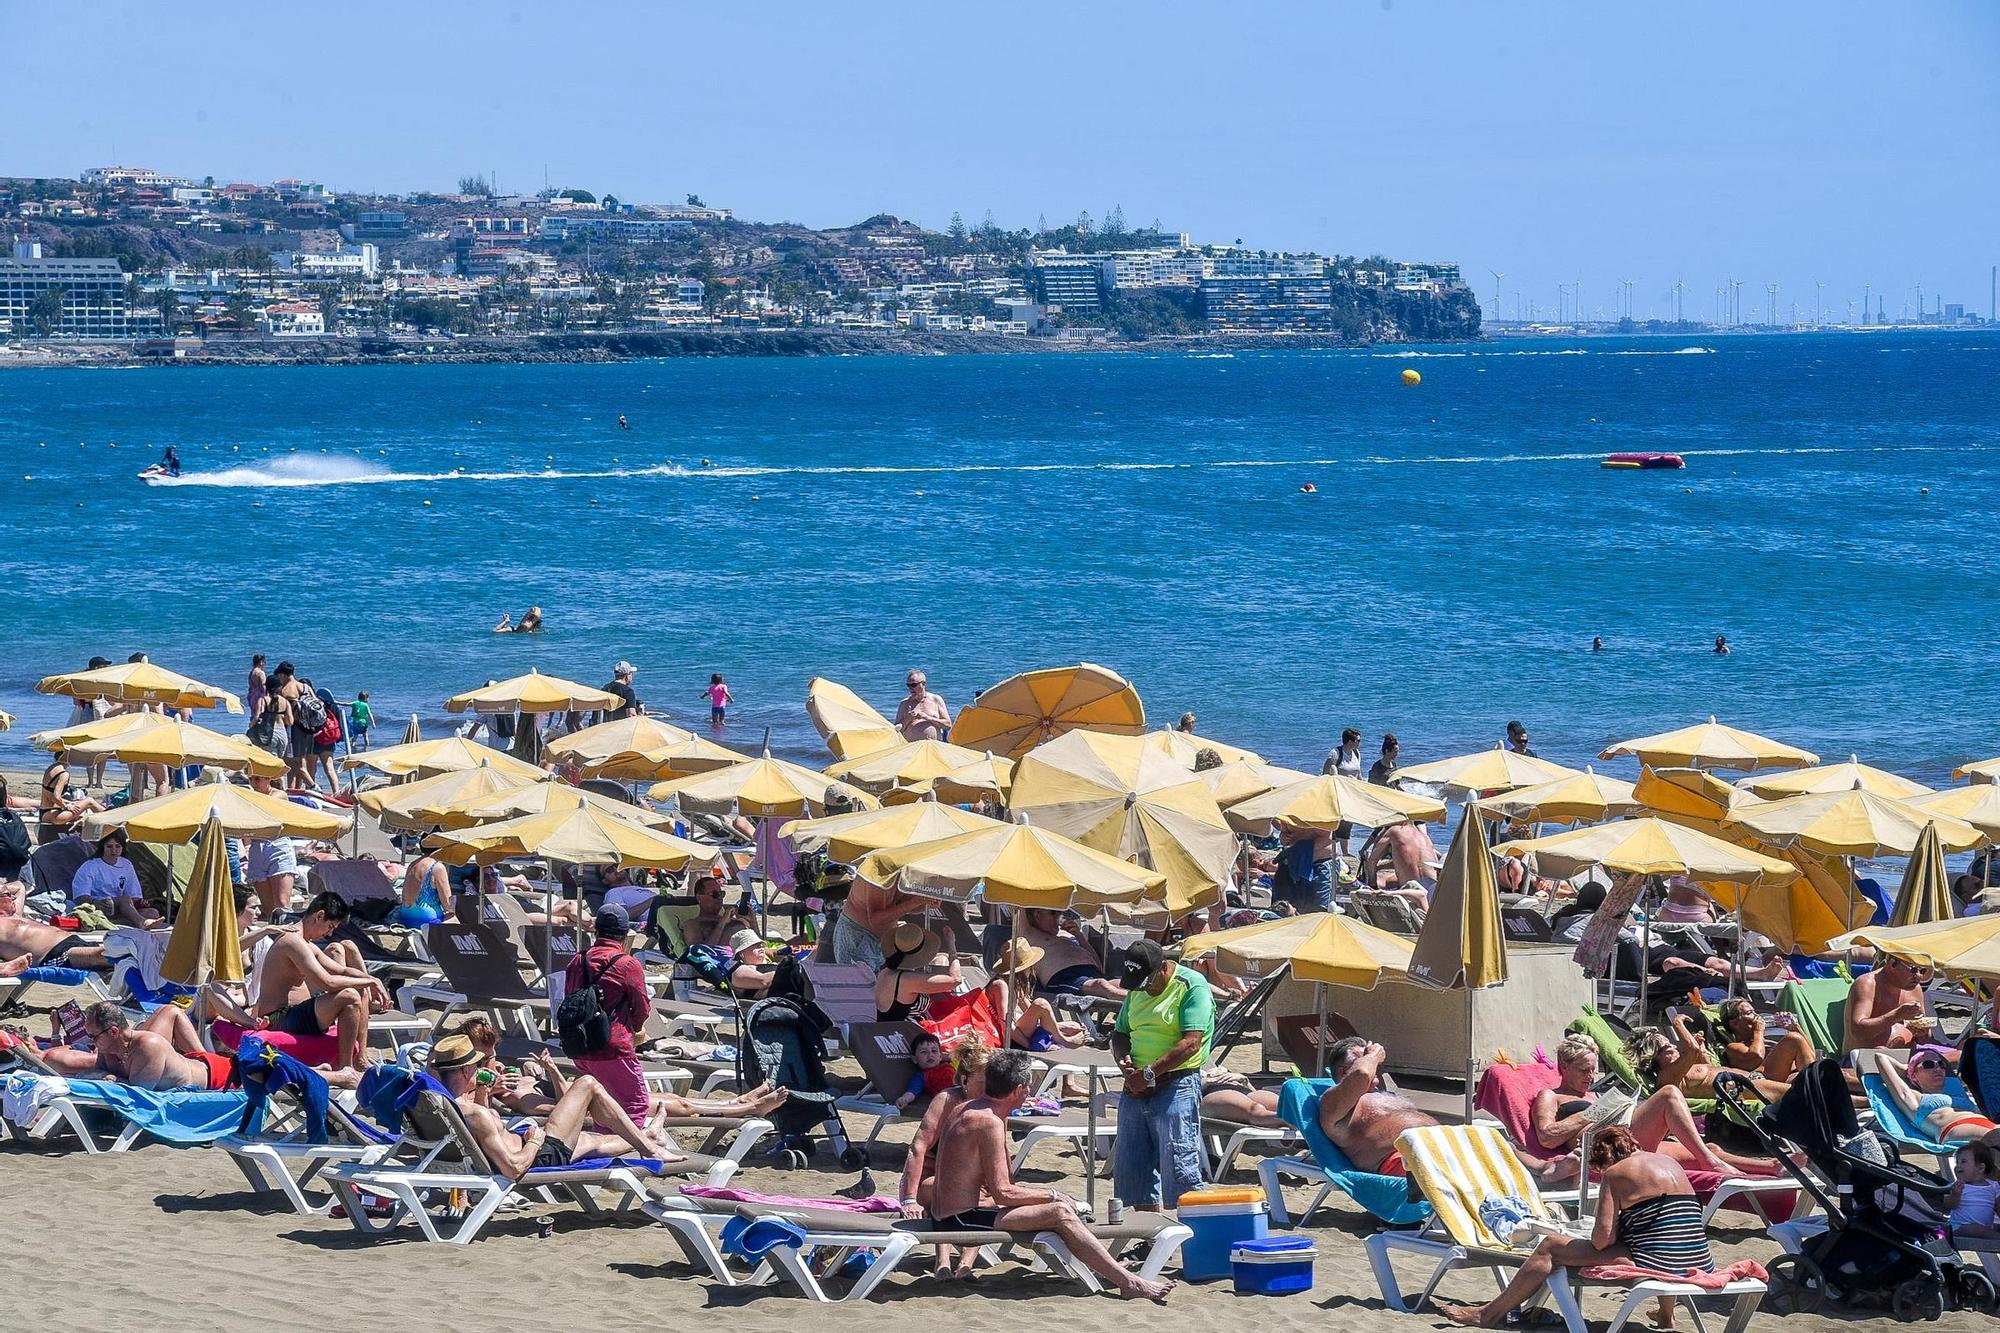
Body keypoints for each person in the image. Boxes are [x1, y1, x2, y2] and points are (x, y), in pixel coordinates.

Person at [929, 1050, 1175, 1302]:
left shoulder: (969, 1108)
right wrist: (1054, 1194)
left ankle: (1103, 1267)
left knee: (1058, 1207)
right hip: (959, 1219)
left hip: (950, 1212)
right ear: (1019, 1090)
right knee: (1061, 1212)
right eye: (1028, 1087)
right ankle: (1128, 1282)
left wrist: (1045, 1198)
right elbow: (1003, 1192)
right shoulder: (988, 1121)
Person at [1439, 1126, 1713, 1330]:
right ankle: (1667, 1316)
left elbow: (1602, 1240)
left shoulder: (1616, 1173)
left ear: (1605, 1158)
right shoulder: (1669, 1163)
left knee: (1549, 1248)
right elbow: (1672, 1229)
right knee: (1667, 1240)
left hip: (1656, 1261)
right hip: (1698, 1259)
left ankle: (1488, 1314)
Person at [1316, 1036, 1573, 1181]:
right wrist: (1372, 1055)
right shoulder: (1333, 1101)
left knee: (1488, 1136)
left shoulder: (1379, 1094)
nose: (1372, 1064)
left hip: (1436, 1147)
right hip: (1403, 1162)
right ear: (1342, 1071)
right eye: (1361, 1057)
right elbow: (1361, 1073)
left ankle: (1543, 1168)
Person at [426, 1033, 680, 1175]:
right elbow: (513, 1169)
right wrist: (535, 1141)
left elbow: (482, 1133)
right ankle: (650, 1148)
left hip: (532, 1145)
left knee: (591, 1141)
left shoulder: (442, 1101)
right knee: (588, 1084)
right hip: (539, 1155)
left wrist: (483, 1091)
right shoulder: (473, 1115)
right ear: (466, 1071)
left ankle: (648, 1136)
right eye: (477, 1065)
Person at [1532, 1033, 1758, 1178]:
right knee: (1668, 1094)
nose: (1590, 1076)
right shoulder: (1551, 1096)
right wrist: (1597, 1112)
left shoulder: (1592, 1095)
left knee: (1710, 1149)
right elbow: (1546, 1136)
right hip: (1603, 1151)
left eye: (1593, 1070)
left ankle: (1772, 1166)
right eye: (1583, 1070)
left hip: (1626, 1138)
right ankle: (1711, 1164)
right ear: (1563, 1066)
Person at [1110, 939, 1211, 1211]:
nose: (1143, 989)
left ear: (1164, 968)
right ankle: (1148, 1241)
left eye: (1147, 982)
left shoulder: (1192, 986)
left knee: (1181, 1169)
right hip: (1136, 1087)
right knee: (1133, 1171)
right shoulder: (1136, 988)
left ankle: (1192, 1242)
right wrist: (1124, 1063)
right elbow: (1120, 1033)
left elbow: (1191, 1042)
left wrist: (1148, 1074)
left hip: (1176, 1084)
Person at [251, 890, 388, 1070]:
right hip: (276, 1018)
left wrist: (372, 979)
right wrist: (369, 982)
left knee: (356, 989)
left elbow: (341, 969)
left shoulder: (305, 943)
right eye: (330, 927)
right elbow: (327, 982)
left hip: (295, 1014)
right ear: (319, 915)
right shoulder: (292, 942)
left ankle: (355, 1062)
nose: (329, 934)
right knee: (350, 995)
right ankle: (346, 1068)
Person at [52, 1002, 235, 1091]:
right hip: (196, 1064)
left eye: (93, 1036)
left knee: (170, 1011)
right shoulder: (108, 1049)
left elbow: (139, 1092)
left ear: (114, 1032)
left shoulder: (148, 1045)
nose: (91, 1042)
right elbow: (100, 1073)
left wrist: (109, 1077)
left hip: (218, 1075)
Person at [1627, 1017, 1795, 1103]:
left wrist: (1701, 1053)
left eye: (1671, 1043)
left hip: (1754, 1076)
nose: (1673, 1047)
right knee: (1802, 1093)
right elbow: (1690, 1050)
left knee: (1793, 1040)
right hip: (1745, 1088)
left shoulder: (1684, 1067)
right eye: (1666, 1048)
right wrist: (1678, 1023)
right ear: (1652, 1057)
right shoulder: (1666, 1078)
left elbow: (1711, 1071)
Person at [1866, 1049, 1996, 1144]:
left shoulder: (1956, 1093)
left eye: (1941, 1065)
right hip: (1954, 1127)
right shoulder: (1913, 1098)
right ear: (1914, 1075)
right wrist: (1909, 1069)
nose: (1938, 1068)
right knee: (1995, 1138)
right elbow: (1880, 1057)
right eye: (1929, 1065)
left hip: (1986, 1123)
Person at [985, 938, 1087, 1051]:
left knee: (1074, 1026)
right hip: (1009, 1037)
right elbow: (1006, 1025)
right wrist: (1029, 1046)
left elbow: (1036, 1016)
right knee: (1041, 1004)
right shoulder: (1001, 986)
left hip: (1019, 1031)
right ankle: (1065, 1041)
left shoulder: (1016, 984)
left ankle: (1058, 1037)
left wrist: (1060, 1026)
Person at [0, 879, 110, 974]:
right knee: (111, 954)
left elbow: (20, 886)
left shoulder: (15, 915)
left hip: (75, 942)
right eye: (8, 895)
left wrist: (4, 889)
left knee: (118, 948)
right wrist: (6, 967)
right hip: (56, 955)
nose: (13, 897)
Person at [1017, 907, 1125, 1001]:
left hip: (1092, 976)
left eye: (1060, 912)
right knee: (1101, 985)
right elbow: (1019, 905)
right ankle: (1138, 1003)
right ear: (1037, 915)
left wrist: (1079, 936)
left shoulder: (1065, 937)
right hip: (1065, 977)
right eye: (1053, 912)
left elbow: (1099, 967)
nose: (1059, 916)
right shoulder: (1030, 936)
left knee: (1123, 983)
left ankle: (1137, 1001)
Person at [1845, 952, 1937, 1054]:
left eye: (1922, 971)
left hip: (1906, 1059)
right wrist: (1896, 1016)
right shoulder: (1867, 984)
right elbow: (1857, 1031)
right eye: (1913, 970)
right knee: (1881, 1052)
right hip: (1862, 1058)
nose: (1918, 976)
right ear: (1893, 964)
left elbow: (1923, 1039)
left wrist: (1923, 1033)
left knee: (1955, 1056)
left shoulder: (1915, 989)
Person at [827, 873, 922, 970]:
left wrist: (923, 903)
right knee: (861, 984)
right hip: (859, 938)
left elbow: (898, 906)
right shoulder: (879, 875)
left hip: (881, 941)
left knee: (883, 983)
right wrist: (912, 903)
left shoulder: (900, 874)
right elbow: (876, 919)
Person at [1717, 997, 1818, 1085]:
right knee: (1793, 1039)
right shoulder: (1733, 1047)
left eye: (1754, 1011)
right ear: (1735, 1024)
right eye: (1750, 1013)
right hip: (1766, 1081)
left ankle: (1815, 1083)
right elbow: (1756, 1057)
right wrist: (1758, 1030)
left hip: (1794, 1076)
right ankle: (1815, 1083)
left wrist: (1795, 1027)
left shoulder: (1764, 1040)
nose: (1757, 1016)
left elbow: (1810, 1054)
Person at [874, 922, 961, 1021]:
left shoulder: (885, 972)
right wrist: (952, 947)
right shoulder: (907, 980)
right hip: (903, 1031)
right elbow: (956, 980)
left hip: (887, 1027)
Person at [71, 829, 158, 928]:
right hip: (98, 906)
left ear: (122, 848)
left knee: (153, 913)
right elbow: (80, 896)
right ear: (102, 847)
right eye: (109, 846)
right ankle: (142, 922)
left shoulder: (126, 865)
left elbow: (133, 895)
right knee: (123, 900)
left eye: (117, 846)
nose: (114, 850)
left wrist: (140, 902)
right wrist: (97, 902)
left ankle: (114, 923)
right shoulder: (90, 866)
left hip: (120, 909)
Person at [245, 775, 300, 917]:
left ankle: (288, 936)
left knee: (282, 903)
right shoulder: (250, 796)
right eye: (250, 779)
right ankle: (275, 937)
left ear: (268, 779)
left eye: (257, 779)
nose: (253, 783)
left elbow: (266, 805)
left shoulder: (278, 795)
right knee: (269, 908)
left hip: (277, 845)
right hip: (257, 847)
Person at [1946, 1144, 2000, 1240]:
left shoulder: (1994, 1186)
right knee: (1976, 1229)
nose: (1958, 1166)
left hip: (1986, 1227)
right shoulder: (1959, 1186)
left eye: (1963, 1161)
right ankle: (1997, 1237)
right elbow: (1950, 1206)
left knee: (1993, 1227)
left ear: (1980, 1168)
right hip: (1959, 1227)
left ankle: (1993, 1234)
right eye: (1957, 1162)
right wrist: (1955, 1195)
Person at [896, 1032, 955, 1110]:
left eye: (934, 1051)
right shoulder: (922, 1076)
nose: (930, 1055)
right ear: (915, 1059)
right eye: (924, 1052)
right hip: (951, 1100)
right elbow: (912, 1091)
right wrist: (904, 1099)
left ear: (940, 1056)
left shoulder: (948, 1065)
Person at [393, 852, 449, 928]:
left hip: (404, 917)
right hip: (427, 921)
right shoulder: (438, 868)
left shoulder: (413, 864)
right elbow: (448, 905)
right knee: (458, 917)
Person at [895, 670, 951, 742]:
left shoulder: (936, 699)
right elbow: (896, 730)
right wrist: (908, 719)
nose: (910, 688)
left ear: (923, 684)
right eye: (908, 685)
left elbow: (948, 725)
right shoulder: (904, 703)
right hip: (912, 748)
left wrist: (927, 718)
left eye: (914, 685)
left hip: (934, 747)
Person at [728, 928, 778, 998]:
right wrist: (787, 971)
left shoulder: (772, 964)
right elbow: (764, 981)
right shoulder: (738, 970)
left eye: (761, 944)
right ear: (741, 953)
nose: (760, 946)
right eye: (754, 944)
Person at [246, 654, 268, 722]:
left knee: (254, 714)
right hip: (259, 696)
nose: (264, 664)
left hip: (252, 695)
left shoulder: (251, 672)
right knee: (261, 714)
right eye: (264, 662)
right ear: (261, 662)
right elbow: (263, 686)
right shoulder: (260, 673)